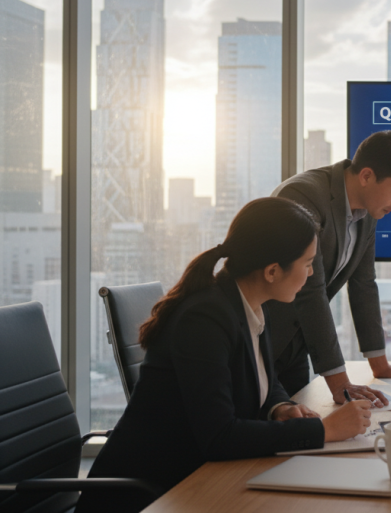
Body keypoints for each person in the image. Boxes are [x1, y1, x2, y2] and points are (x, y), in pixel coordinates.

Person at [77, 198, 373, 513]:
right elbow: (219, 436)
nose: (312, 273)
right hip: (149, 496)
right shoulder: (205, 319)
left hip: (195, 481)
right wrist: (324, 430)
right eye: (308, 263)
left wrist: (280, 406)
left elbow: (264, 378)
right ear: (272, 271)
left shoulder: (252, 307)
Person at [266, 130, 391, 405]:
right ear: (366, 176)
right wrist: (341, 384)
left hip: (297, 345)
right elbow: (310, 291)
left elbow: (364, 284)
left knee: (294, 431)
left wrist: (380, 366)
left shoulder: (368, 210)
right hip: (260, 341)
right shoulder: (304, 196)